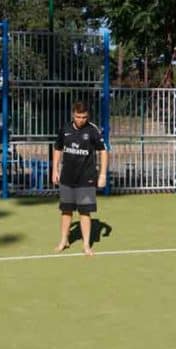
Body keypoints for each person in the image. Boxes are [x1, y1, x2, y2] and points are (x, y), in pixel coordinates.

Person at [52, 102, 108, 256]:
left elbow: (103, 151)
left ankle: (86, 245)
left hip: (86, 179)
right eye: (78, 117)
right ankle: (64, 241)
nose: (81, 120)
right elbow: (57, 148)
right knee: (66, 211)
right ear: (73, 115)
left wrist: (102, 174)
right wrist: (54, 170)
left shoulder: (92, 130)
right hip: (67, 178)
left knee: (85, 212)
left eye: (84, 117)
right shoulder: (65, 129)